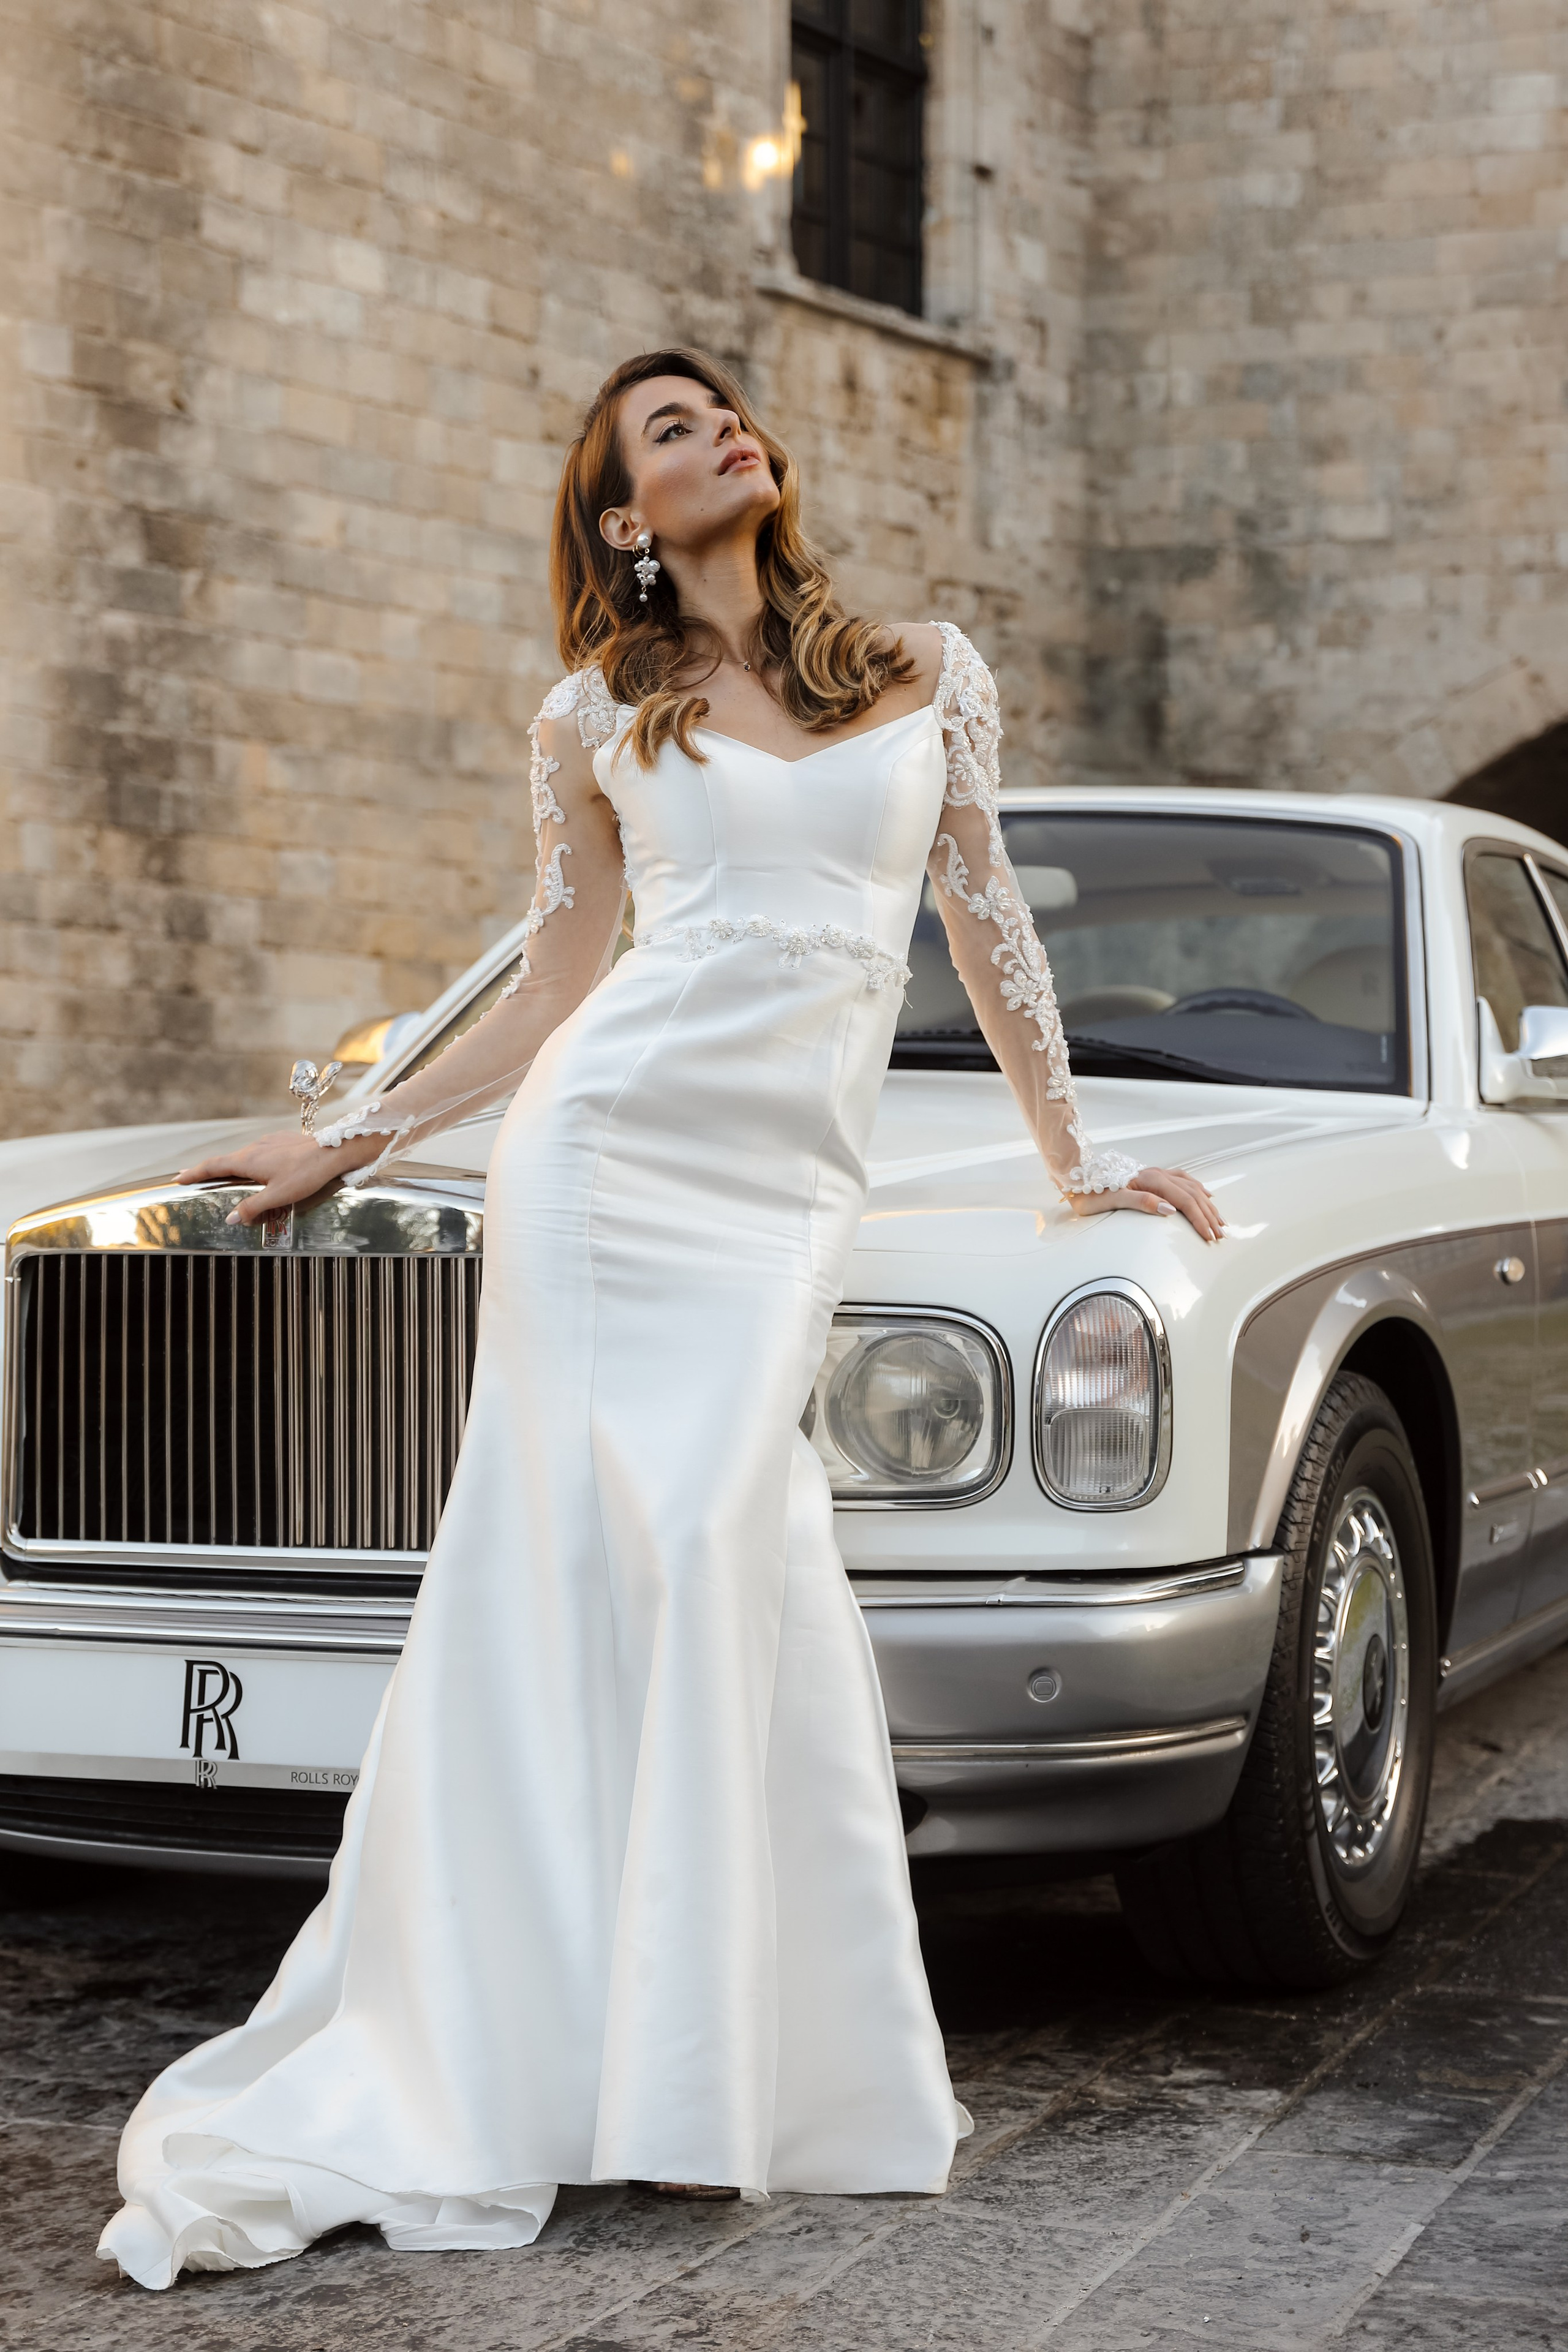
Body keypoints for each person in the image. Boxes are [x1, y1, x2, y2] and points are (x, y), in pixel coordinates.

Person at [100, 348, 1221, 2289]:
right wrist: (345, 1136)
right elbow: (555, 990)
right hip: (605, 1171)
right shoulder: (590, 721)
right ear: (624, 518)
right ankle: (587, 2060)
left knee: (723, 1544)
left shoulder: (927, 670)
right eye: (672, 429)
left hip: (779, 1198)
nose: (724, 431)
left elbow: (988, 925)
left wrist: (1081, 1162)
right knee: (586, 1578)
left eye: (728, 411)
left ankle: (713, 2069)